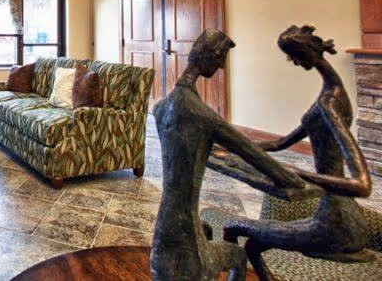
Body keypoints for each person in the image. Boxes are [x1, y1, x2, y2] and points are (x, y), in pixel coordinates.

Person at [151, 30, 306, 281]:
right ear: (208, 56)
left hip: (163, 230)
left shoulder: (160, 107)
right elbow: (252, 153)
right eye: (220, 57)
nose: (222, 65)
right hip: (186, 230)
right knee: (238, 256)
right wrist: (295, 181)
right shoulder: (201, 114)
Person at [223, 25, 373, 279]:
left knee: (232, 227)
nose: (292, 62)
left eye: (292, 56)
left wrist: (298, 172)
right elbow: (280, 143)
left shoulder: (329, 104)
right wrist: (234, 147)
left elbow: (362, 184)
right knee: (254, 245)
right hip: (341, 214)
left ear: (305, 55)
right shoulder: (332, 95)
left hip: (335, 224)